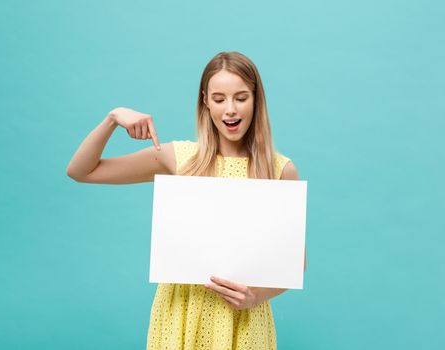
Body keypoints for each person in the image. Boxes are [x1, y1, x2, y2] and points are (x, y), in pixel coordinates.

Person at [66, 51, 305, 349]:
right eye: (219, 99)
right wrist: (112, 119)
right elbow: (81, 171)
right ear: (205, 101)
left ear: (256, 100)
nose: (230, 110)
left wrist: (256, 296)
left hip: (242, 324)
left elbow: (296, 262)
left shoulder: (279, 170)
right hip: (180, 314)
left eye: (241, 98)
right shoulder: (179, 158)